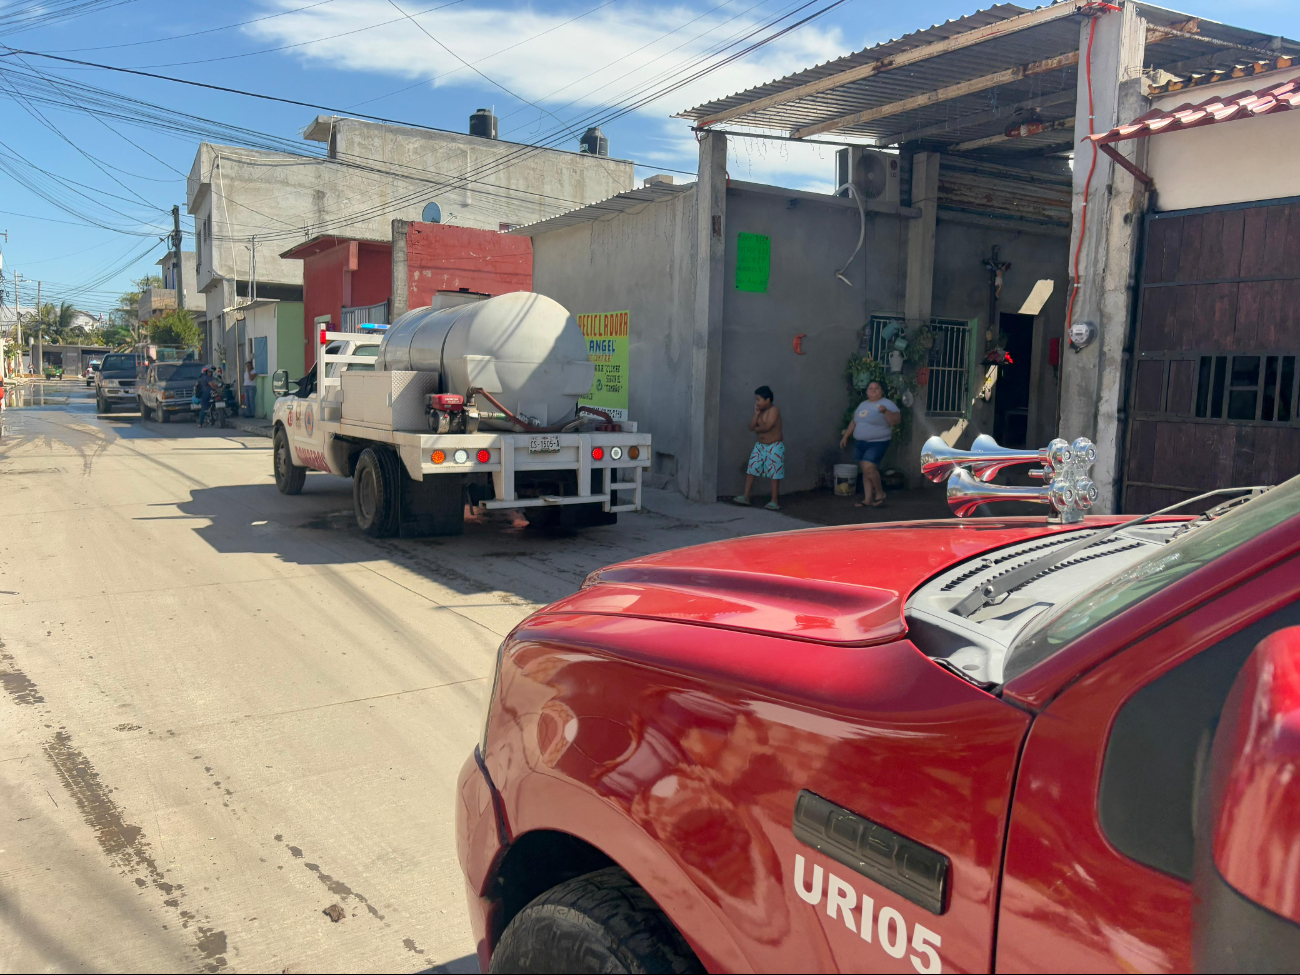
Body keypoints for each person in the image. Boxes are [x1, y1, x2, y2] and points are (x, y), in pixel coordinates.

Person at [840, 380, 900, 508]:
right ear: (867, 391)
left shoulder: (887, 403)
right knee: (866, 471)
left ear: (881, 390)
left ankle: (879, 493)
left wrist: (885, 412)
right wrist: (845, 436)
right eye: (870, 388)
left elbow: (896, 420)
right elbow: (854, 422)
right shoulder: (862, 405)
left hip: (877, 442)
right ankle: (868, 499)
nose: (873, 390)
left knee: (869, 468)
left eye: (876, 388)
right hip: (861, 442)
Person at [733, 385, 784, 511]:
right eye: (756, 400)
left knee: (774, 473)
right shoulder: (760, 412)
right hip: (760, 446)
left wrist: (757, 429)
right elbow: (751, 427)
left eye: (759, 400)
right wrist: (756, 415)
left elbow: (767, 427)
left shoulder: (774, 410)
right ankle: (746, 496)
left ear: (767, 400)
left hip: (774, 446)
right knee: (752, 468)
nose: (757, 402)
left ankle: (774, 500)